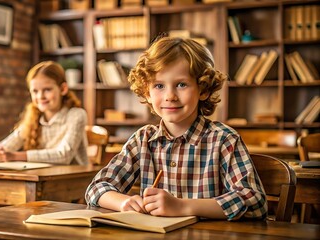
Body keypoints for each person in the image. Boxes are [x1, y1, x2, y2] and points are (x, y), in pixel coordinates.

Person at [85, 37, 267, 220]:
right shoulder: (142, 140)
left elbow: (254, 201)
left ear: (203, 89)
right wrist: (123, 203)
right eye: (159, 85)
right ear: (147, 93)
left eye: (181, 84)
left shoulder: (224, 139)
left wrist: (182, 206)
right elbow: (96, 188)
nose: (170, 96)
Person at [0, 61, 88, 165]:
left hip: (75, 179)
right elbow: (8, 145)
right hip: (46, 178)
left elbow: (64, 155)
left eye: (47, 90)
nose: (40, 96)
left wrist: (14, 156)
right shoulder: (33, 118)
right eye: (35, 91)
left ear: (63, 89)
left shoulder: (77, 115)